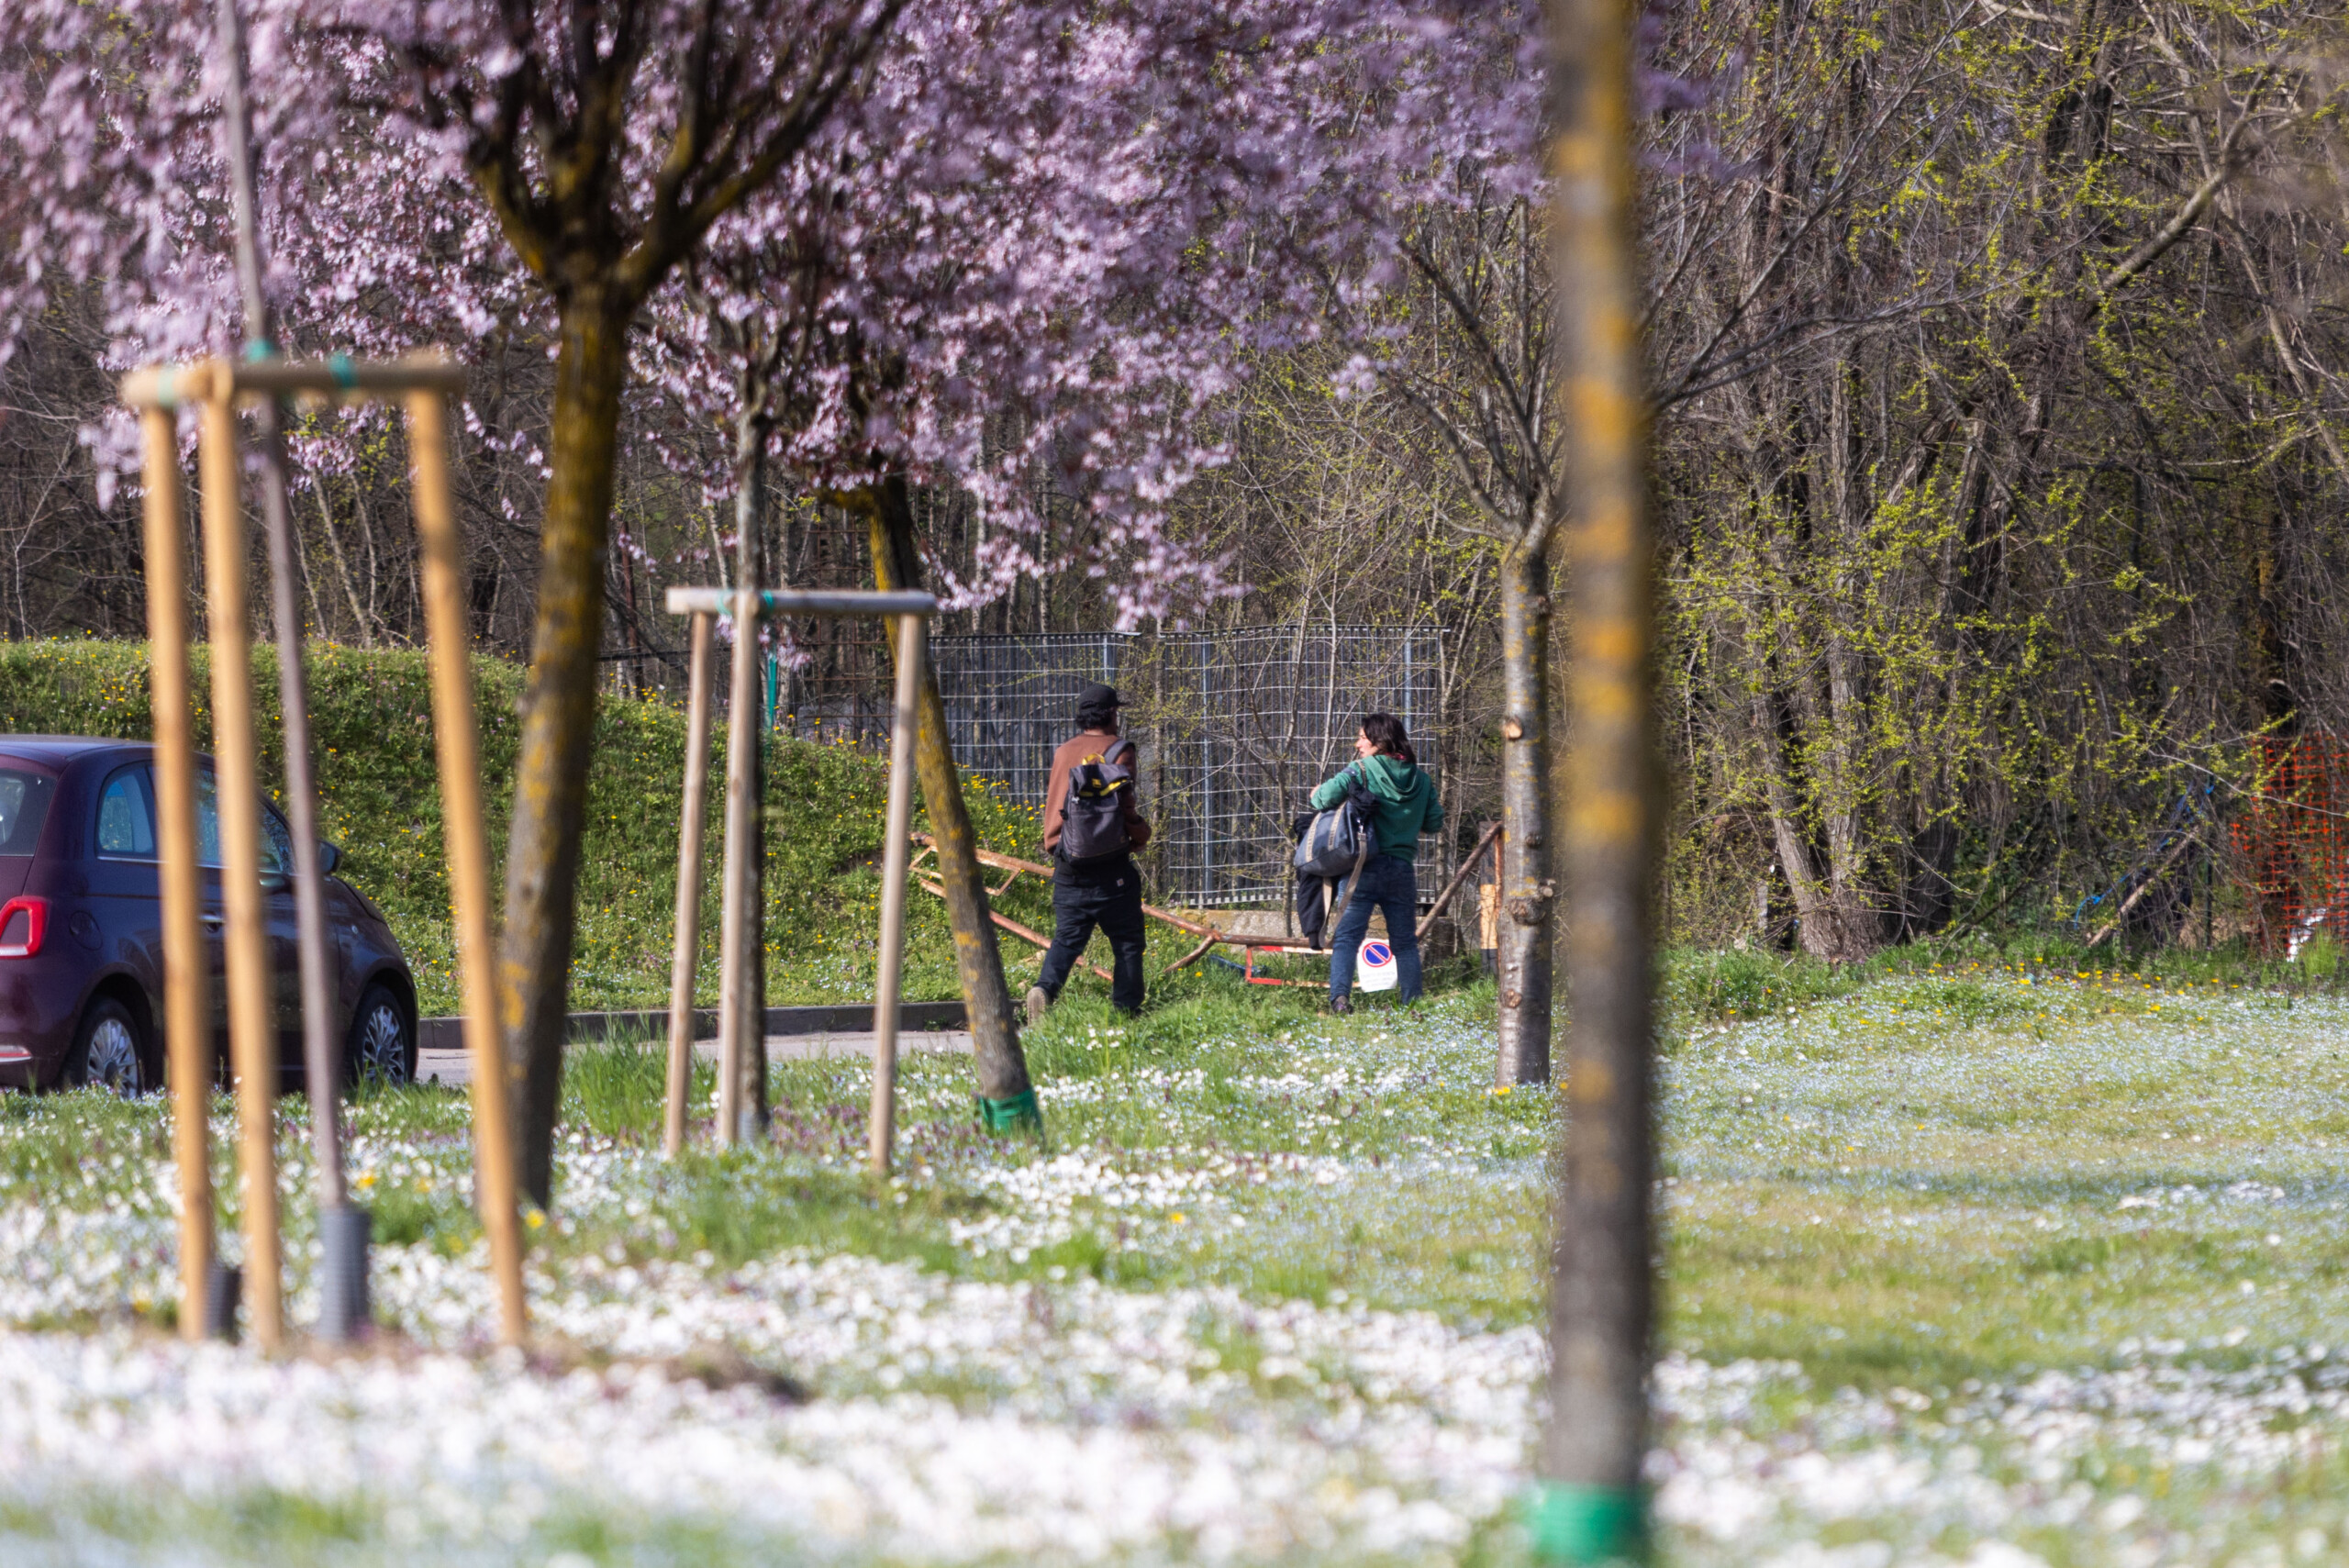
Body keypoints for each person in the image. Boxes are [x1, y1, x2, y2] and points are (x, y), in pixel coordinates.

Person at [1030, 683, 1152, 1021]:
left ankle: (1043, 989)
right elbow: (1126, 809)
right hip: (1111, 866)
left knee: (1067, 939)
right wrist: (1141, 835)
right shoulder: (1121, 750)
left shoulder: (1062, 751)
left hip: (1068, 861)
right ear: (1112, 713)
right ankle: (1126, 1013)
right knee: (1127, 941)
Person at [1313, 712, 1442, 1014]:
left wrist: (1317, 793)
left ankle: (1340, 1000)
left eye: (1362, 738)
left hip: (1363, 867)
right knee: (1405, 943)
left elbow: (1323, 799)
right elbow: (1435, 823)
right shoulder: (1422, 780)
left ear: (1379, 741)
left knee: (1346, 937)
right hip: (1401, 870)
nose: (1357, 744)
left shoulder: (1361, 769)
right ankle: (1413, 1006)